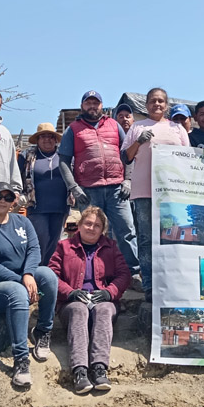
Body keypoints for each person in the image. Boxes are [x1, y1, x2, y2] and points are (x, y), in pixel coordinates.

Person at [0, 182, 58, 388]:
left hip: (22, 276)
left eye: (8, 197)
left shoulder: (22, 222)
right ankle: (20, 358)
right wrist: (22, 281)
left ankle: (43, 331)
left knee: (48, 276)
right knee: (18, 292)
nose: (2, 201)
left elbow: (34, 250)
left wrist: (28, 273)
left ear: (13, 202)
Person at [48, 207, 131, 394]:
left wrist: (109, 292)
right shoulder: (64, 247)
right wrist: (70, 292)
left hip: (101, 298)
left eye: (97, 225)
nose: (91, 228)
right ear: (79, 225)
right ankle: (80, 371)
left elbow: (124, 275)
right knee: (79, 310)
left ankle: (99, 367)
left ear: (102, 230)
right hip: (72, 301)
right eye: (88, 223)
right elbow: (52, 274)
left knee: (104, 310)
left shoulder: (111, 247)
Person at [58, 90, 139, 277]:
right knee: (91, 232)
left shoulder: (114, 125)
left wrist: (128, 180)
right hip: (88, 190)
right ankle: (94, 273)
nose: (92, 106)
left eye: (96, 103)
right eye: (88, 103)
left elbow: (127, 154)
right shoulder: (73, 129)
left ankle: (133, 273)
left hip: (117, 189)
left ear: (102, 106)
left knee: (126, 230)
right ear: (82, 106)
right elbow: (63, 161)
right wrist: (73, 187)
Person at [121, 87, 190, 300]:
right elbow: (126, 157)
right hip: (144, 192)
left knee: (173, 238)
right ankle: (150, 286)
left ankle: (172, 282)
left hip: (171, 193)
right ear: (146, 105)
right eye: (152, 101)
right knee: (146, 239)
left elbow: (188, 158)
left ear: (166, 105)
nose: (157, 104)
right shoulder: (137, 127)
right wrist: (139, 141)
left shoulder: (177, 129)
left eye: (161, 101)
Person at [18, 123, 70, 266]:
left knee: (55, 242)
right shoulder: (26, 156)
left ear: (55, 139)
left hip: (60, 207)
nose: (47, 140)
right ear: (38, 139)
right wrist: (19, 193)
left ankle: (49, 273)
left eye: (50, 136)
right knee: (40, 239)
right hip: (37, 207)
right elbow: (17, 176)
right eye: (43, 137)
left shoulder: (64, 155)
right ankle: (34, 271)